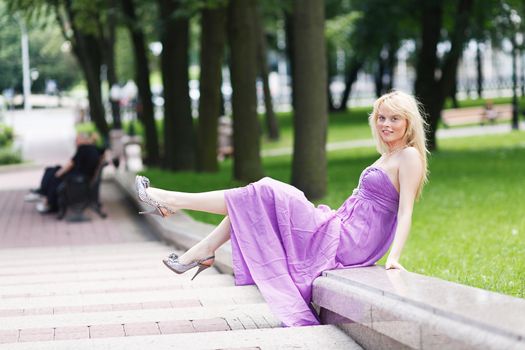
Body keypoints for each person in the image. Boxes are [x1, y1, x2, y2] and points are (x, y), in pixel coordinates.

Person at [135, 90, 429, 327]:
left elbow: (405, 212)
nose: (386, 124)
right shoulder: (390, 154)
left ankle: (171, 202)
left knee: (265, 190)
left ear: (408, 123)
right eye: (381, 118)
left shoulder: (409, 157)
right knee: (256, 199)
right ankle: (199, 247)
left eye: (394, 119)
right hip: (341, 225)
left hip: (351, 240)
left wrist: (394, 257)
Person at [25, 132, 104, 214]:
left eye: (77, 140)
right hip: (82, 176)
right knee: (52, 169)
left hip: (79, 178)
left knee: (55, 175)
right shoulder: (93, 148)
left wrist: (60, 172)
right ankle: (42, 192)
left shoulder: (83, 148)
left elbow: (71, 163)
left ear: (82, 140)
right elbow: (105, 151)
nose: (75, 142)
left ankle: (49, 202)